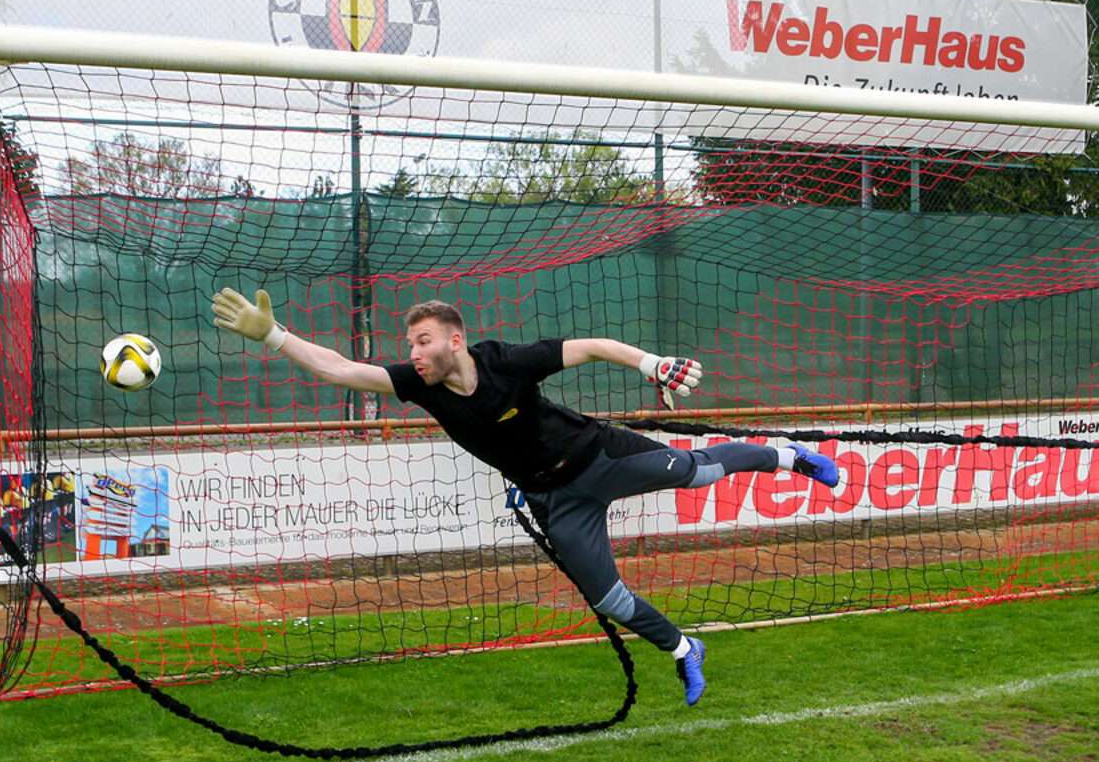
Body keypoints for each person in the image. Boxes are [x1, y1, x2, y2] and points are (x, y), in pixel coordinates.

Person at [211, 289, 841, 705]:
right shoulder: (419, 385)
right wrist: (274, 335)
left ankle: (790, 456)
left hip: (599, 457)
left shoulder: (507, 362)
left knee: (699, 475)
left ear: (454, 340)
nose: (413, 353)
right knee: (609, 599)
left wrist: (651, 364)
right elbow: (341, 369)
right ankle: (684, 649)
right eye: (409, 345)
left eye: (423, 340)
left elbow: (592, 346)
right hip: (555, 499)